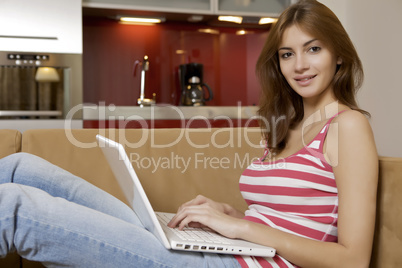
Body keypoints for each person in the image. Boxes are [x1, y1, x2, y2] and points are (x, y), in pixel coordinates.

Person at [0, 0, 378, 267]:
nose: (300, 65)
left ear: (338, 55)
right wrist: (228, 215)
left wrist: (242, 228)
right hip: (231, 250)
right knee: (22, 167)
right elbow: (285, 216)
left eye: (313, 49)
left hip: (241, 264)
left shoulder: (347, 126)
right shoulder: (286, 124)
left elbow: (352, 259)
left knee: (12, 207)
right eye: (286, 54)